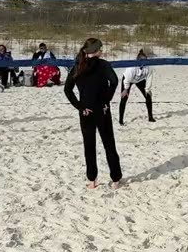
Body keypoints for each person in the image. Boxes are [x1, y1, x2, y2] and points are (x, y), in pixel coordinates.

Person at [64, 37, 123, 189]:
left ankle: (92, 180)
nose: (102, 51)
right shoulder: (103, 65)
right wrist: (106, 100)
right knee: (109, 144)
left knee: (89, 146)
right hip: (102, 109)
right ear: (94, 51)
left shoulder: (77, 66)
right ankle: (116, 179)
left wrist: (80, 106)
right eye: (100, 49)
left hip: (86, 111)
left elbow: (67, 89)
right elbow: (115, 82)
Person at [119, 48, 156, 125]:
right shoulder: (131, 68)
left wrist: (148, 90)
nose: (143, 62)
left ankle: (150, 117)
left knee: (148, 96)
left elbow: (149, 78)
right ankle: (121, 120)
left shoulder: (148, 67)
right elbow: (127, 80)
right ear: (137, 60)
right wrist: (125, 89)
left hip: (140, 80)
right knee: (124, 98)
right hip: (128, 80)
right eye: (142, 61)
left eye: (145, 61)